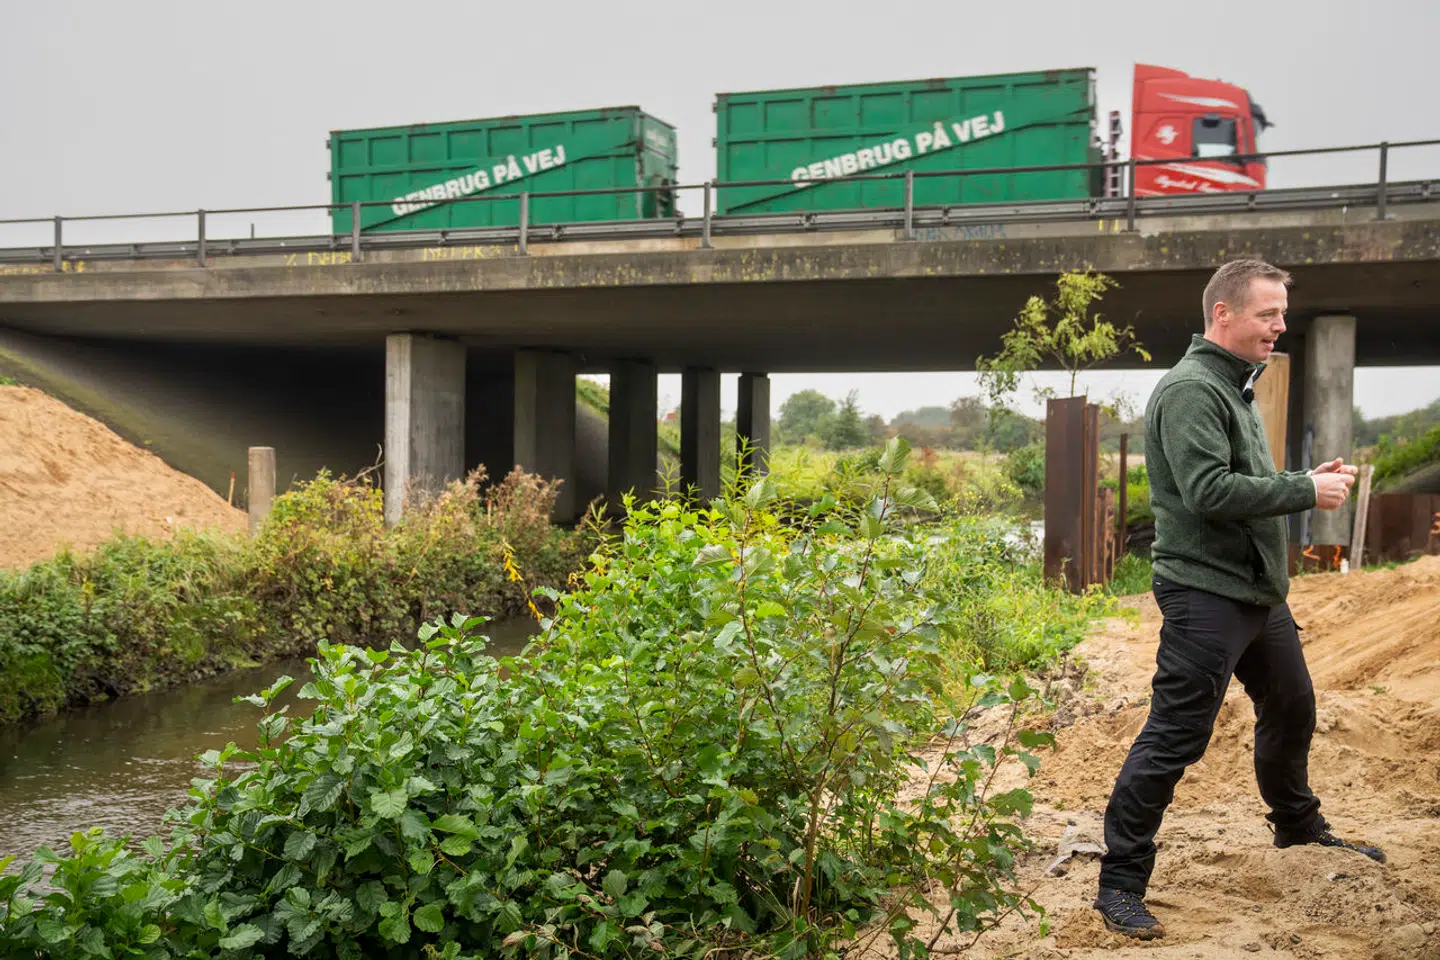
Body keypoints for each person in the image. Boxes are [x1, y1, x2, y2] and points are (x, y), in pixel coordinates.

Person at [1092, 259, 1385, 940]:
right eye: (1268, 314)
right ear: (1224, 314)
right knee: (1176, 736)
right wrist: (1304, 491)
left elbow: (1246, 480)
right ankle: (1119, 885)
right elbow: (1208, 493)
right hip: (1204, 591)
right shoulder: (1193, 389)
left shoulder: (1235, 385)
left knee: (1291, 706)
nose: (1280, 326)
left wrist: (1298, 479)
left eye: (1282, 314)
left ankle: (1298, 831)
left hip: (1254, 589)